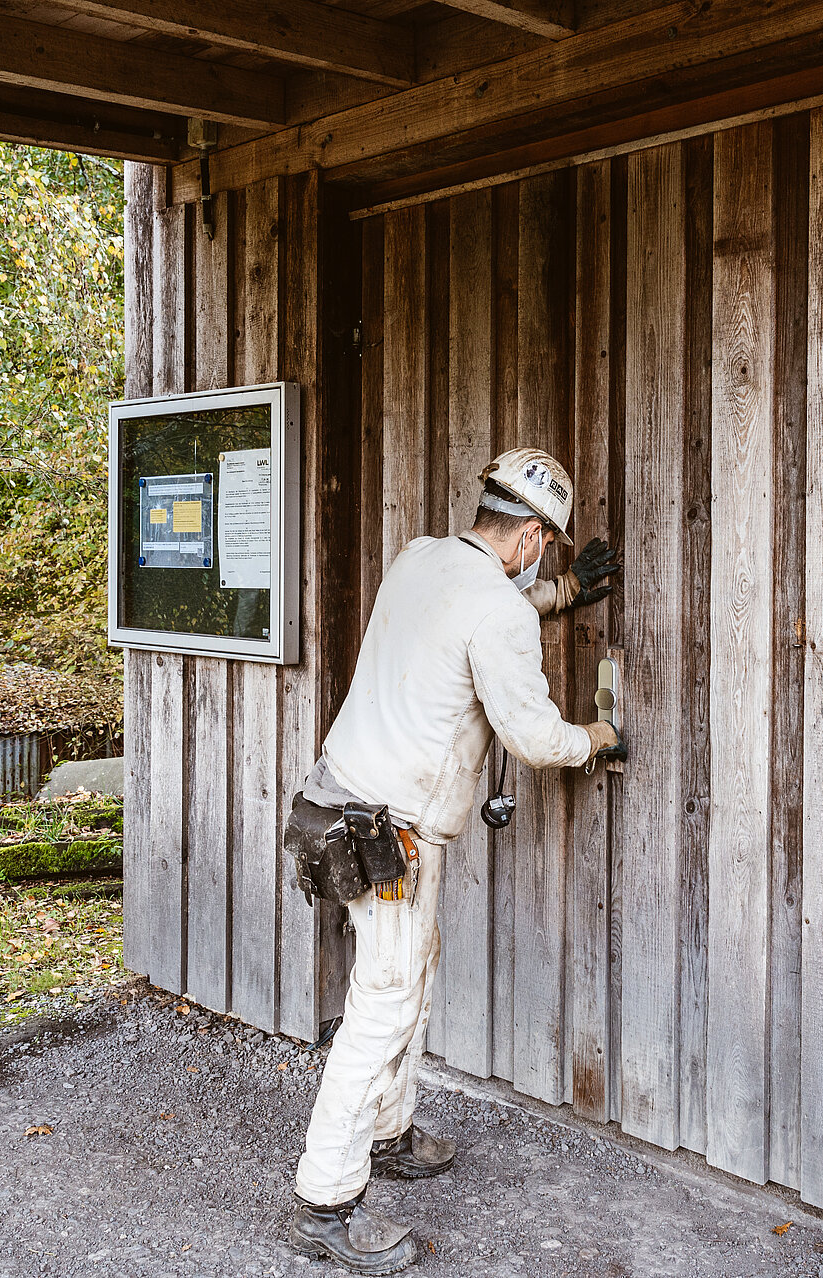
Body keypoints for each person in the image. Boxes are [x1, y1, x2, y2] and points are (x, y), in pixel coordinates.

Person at [286, 447, 624, 1273]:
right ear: (535, 537)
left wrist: (564, 596)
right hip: (387, 836)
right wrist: (600, 738)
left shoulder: (419, 559)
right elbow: (535, 737)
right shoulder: (497, 611)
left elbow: (470, 611)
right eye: (550, 551)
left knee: (411, 976)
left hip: (336, 804)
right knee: (384, 1006)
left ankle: (389, 1130)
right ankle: (326, 1202)